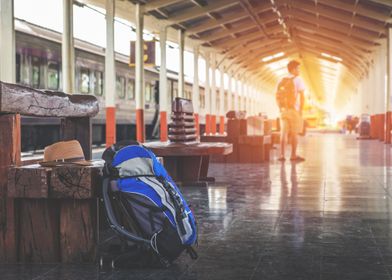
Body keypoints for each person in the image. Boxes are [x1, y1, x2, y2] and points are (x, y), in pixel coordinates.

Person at [276, 60, 305, 162]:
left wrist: (280, 108)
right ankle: (293, 155)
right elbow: (302, 97)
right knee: (294, 133)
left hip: (283, 110)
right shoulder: (298, 79)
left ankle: (282, 155)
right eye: (298, 68)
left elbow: (277, 95)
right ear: (293, 69)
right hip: (294, 110)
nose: (299, 70)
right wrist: (301, 110)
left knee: (283, 133)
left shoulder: (281, 80)